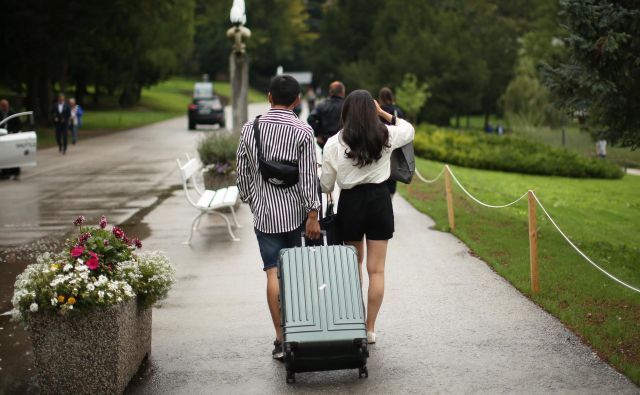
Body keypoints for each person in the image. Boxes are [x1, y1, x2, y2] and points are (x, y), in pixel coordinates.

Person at [236, 75, 321, 360]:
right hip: (295, 213)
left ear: (269, 96)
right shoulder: (303, 131)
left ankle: (280, 339)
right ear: (297, 100)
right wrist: (313, 213)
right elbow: (310, 176)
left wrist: (252, 199)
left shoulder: (251, 128)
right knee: (294, 272)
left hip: (265, 213)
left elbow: (242, 171)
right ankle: (298, 332)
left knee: (272, 271)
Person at [320, 90, 415, 345]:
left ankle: (354, 321)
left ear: (346, 111)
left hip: (351, 203)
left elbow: (326, 185)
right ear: (372, 111)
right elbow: (409, 129)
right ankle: (370, 328)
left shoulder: (334, 143)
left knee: (353, 268)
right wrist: (384, 113)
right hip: (379, 201)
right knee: (377, 270)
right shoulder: (386, 135)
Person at [378, 87, 405, 195]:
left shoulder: (378, 110)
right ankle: (390, 198)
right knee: (392, 174)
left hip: (381, 146)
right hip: (395, 145)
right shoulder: (397, 110)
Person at [307, 81, 345, 148]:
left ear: (330, 92)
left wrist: (318, 134)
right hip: (343, 140)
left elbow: (310, 118)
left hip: (325, 140)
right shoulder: (347, 105)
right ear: (342, 92)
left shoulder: (322, 105)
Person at [0, 99, 22, 180]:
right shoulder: (0, 114)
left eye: (6, 105)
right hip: (2, 137)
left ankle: (15, 172)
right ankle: (5, 173)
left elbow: (19, 125)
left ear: (8, 105)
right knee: (3, 155)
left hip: (12, 137)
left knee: (13, 155)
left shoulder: (13, 114)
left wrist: (13, 132)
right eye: (3, 106)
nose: (4, 107)